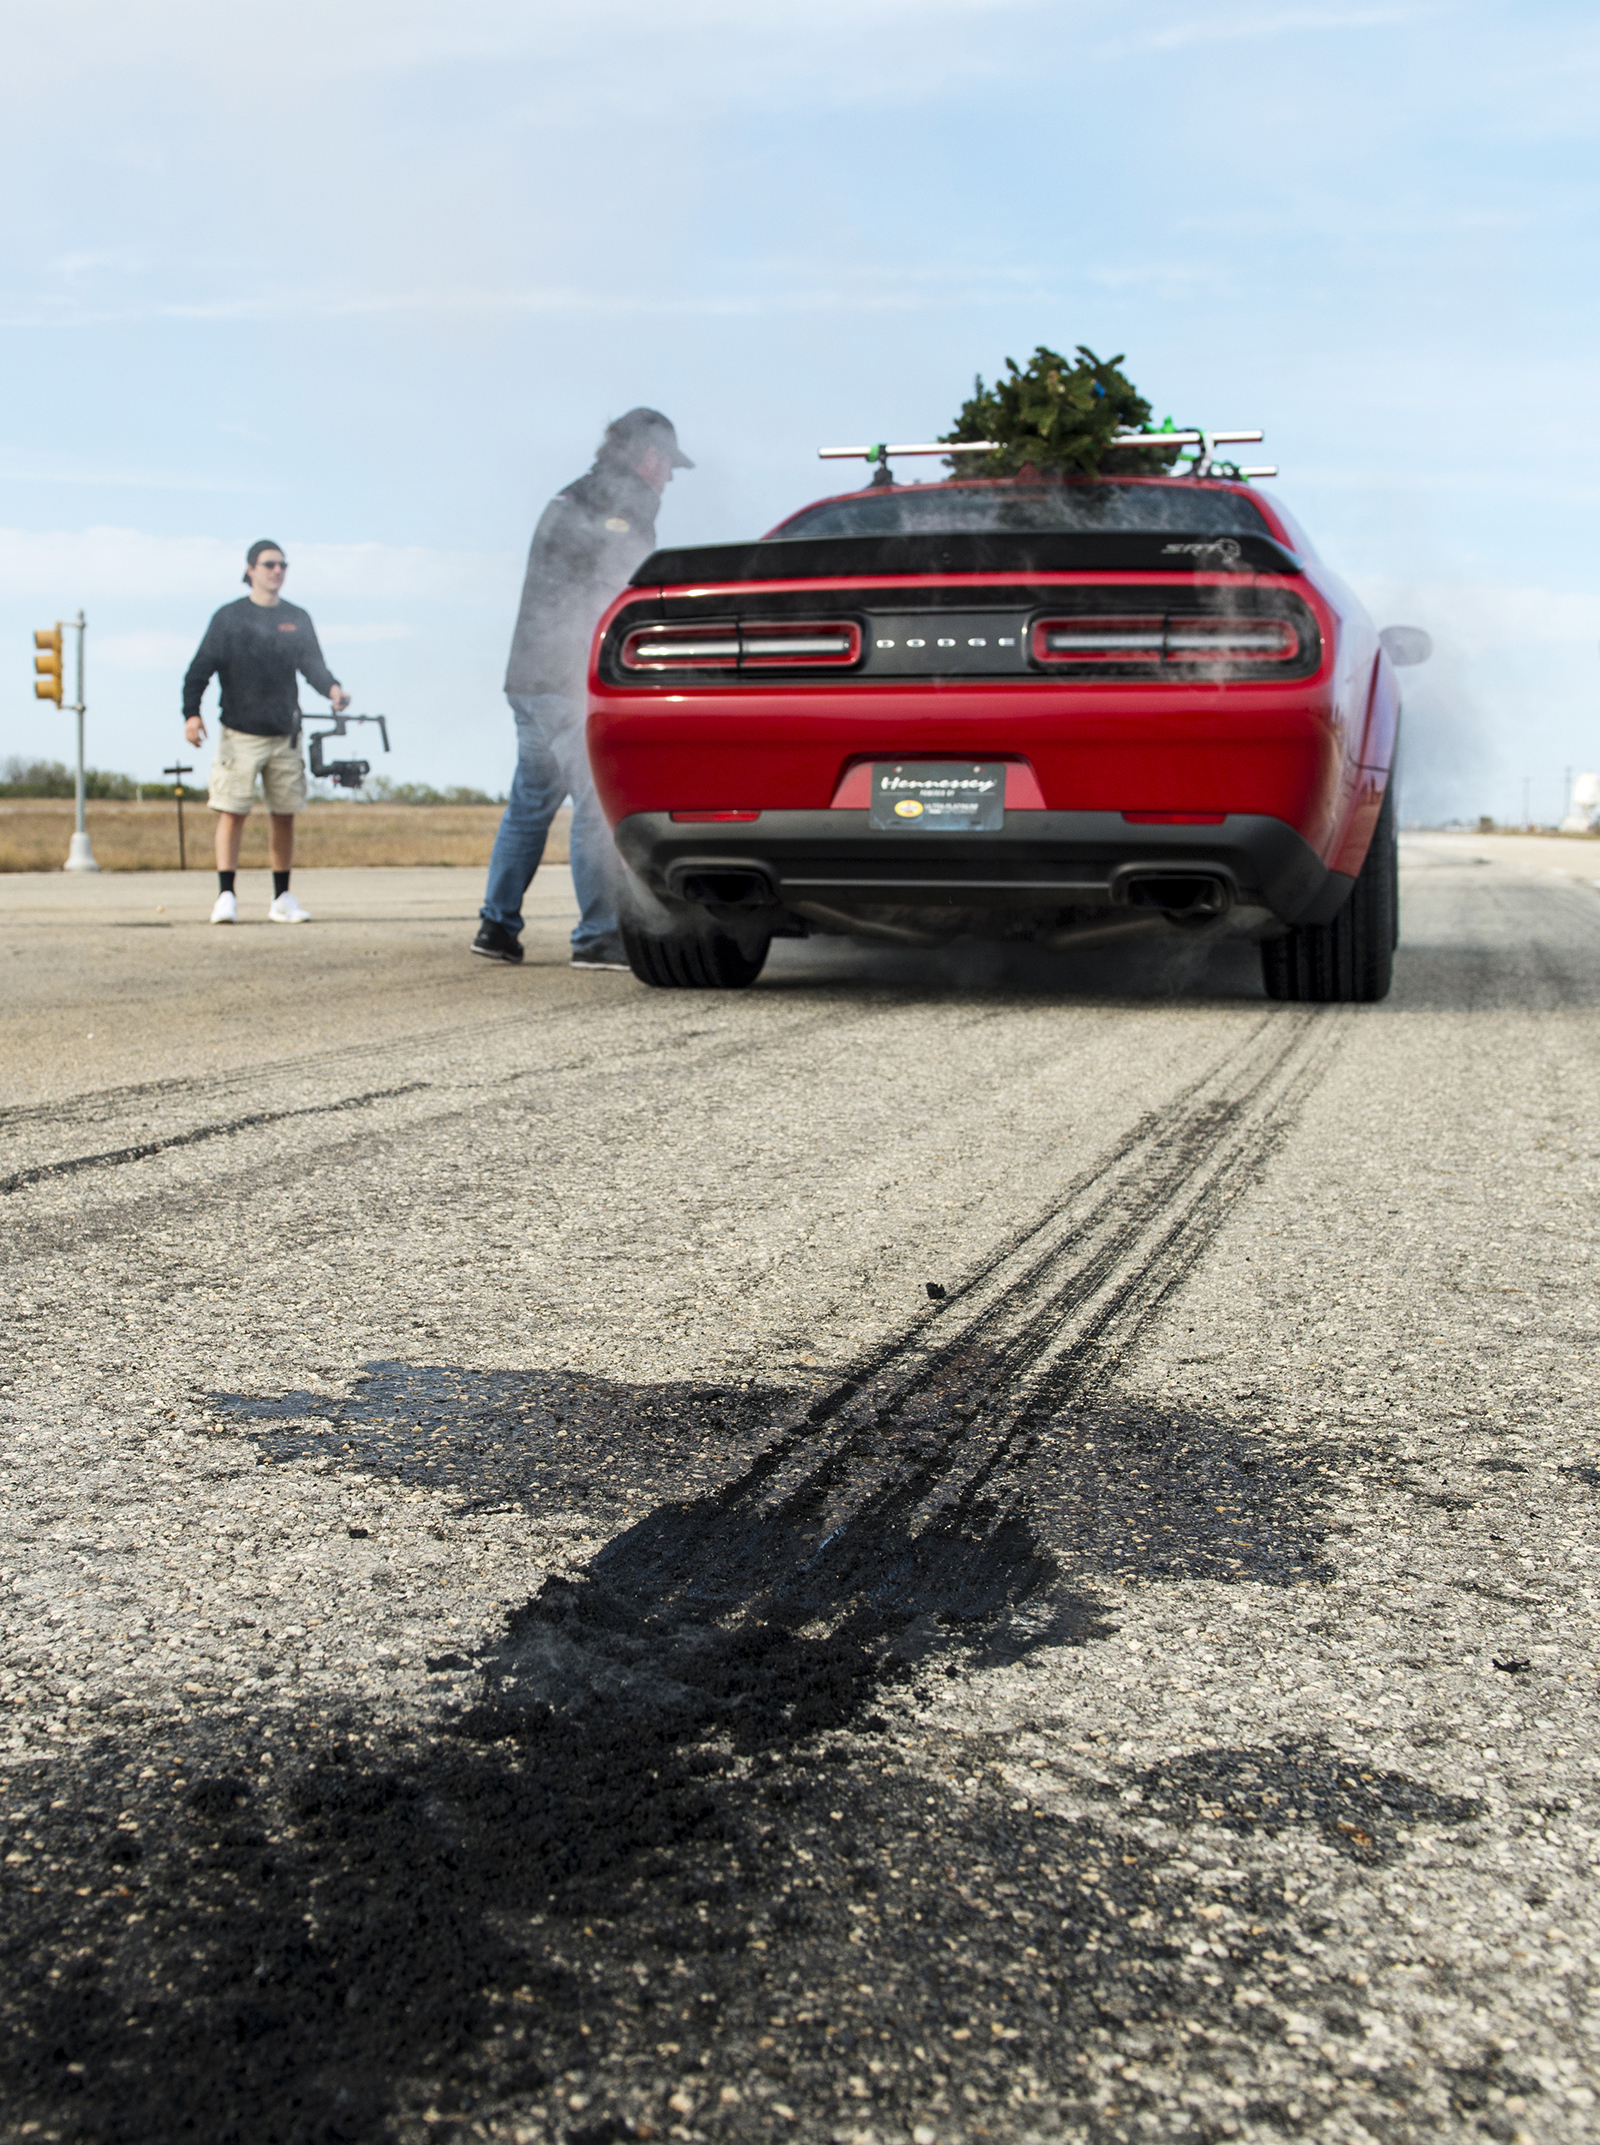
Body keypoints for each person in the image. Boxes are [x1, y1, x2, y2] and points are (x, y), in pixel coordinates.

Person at [472, 408, 693, 969]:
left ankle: (496, 928)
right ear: (649, 456)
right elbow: (621, 588)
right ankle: (597, 935)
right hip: (567, 678)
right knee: (597, 802)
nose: (668, 478)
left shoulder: (573, 493)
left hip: (527, 675)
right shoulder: (627, 500)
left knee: (530, 803)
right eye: (668, 465)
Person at [182, 540, 350, 924]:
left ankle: (282, 898)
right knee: (232, 812)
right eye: (269, 564)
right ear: (250, 569)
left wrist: (333, 689)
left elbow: (313, 665)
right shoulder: (229, 617)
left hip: (285, 734)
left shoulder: (297, 617)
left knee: (285, 813)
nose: (277, 571)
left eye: (282, 565)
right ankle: (226, 896)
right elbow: (199, 670)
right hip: (239, 733)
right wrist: (192, 714)